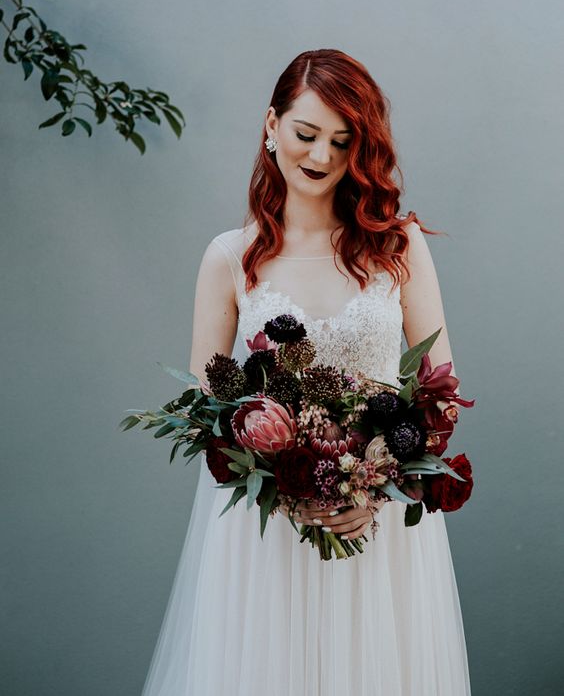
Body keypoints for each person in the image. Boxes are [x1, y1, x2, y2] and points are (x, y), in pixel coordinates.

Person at [140, 49, 472, 695]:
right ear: (271, 125)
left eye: (342, 142)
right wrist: (290, 484)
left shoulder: (398, 245)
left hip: (374, 525)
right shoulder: (228, 258)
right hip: (268, 531)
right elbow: (208, 411)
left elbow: (440, 388)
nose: (320, 156)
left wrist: (372, 486)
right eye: (306, 133)